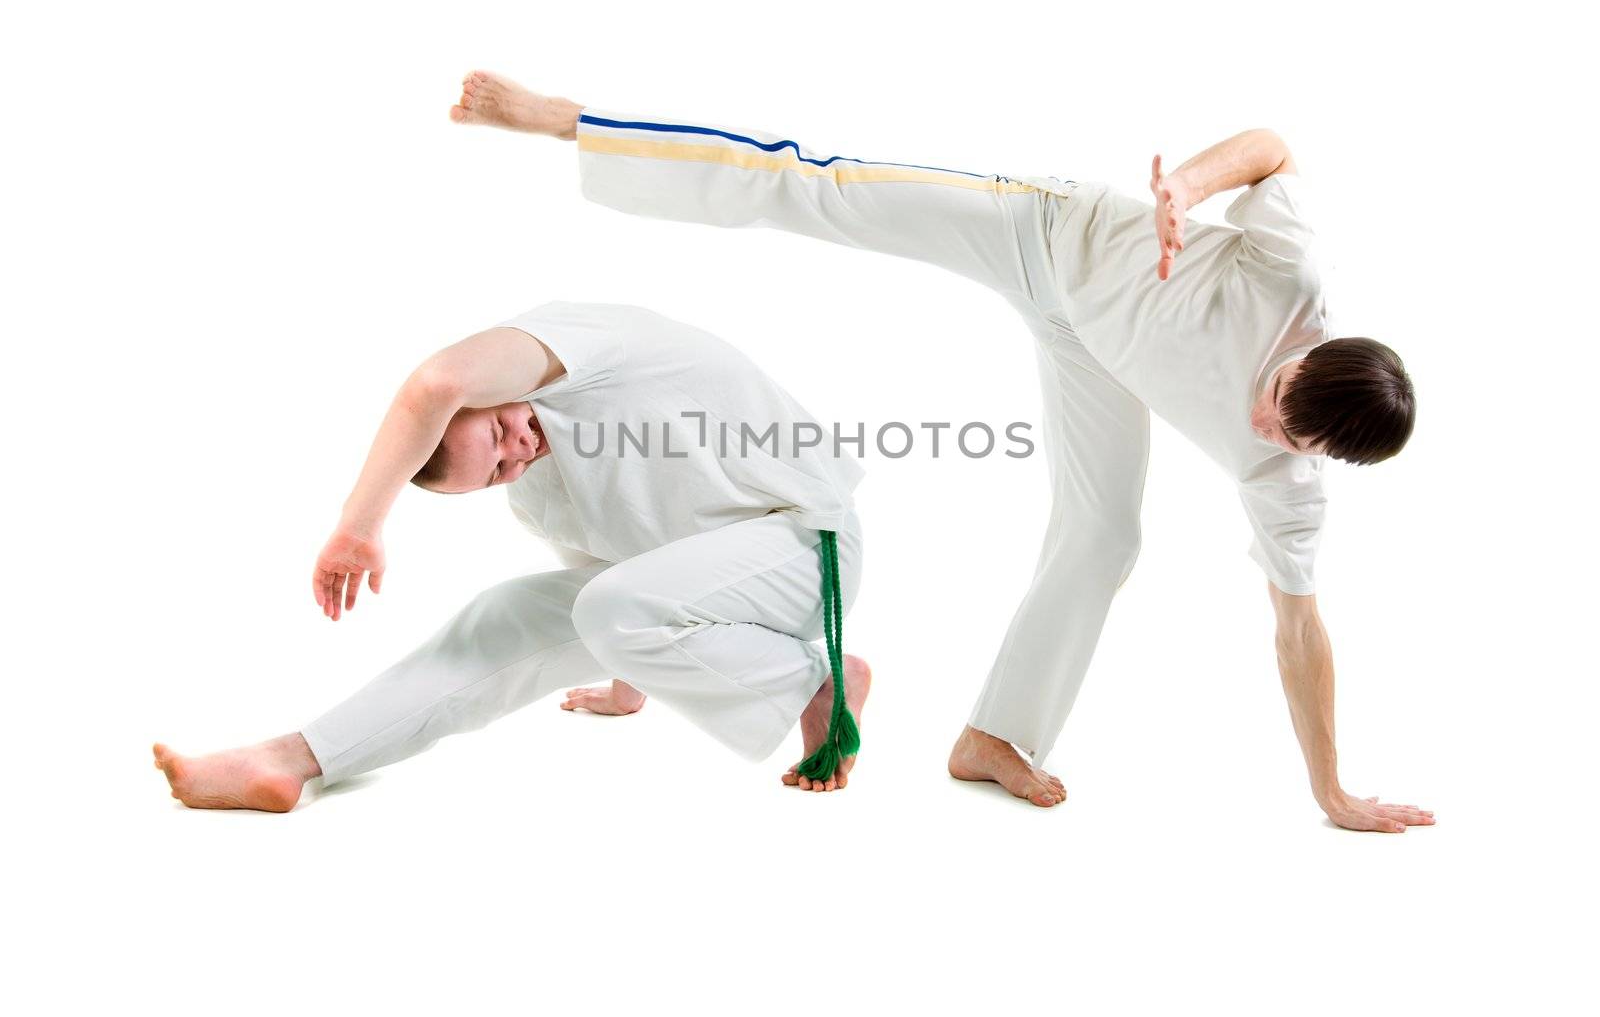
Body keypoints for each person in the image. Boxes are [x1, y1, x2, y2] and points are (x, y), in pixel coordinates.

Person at [448, 71, 1431, 832]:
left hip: (1093, 353)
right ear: (1307, 351)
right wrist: (1187, 184)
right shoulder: (1287, 271)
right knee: (814, 184)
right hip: (1047, 236)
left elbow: (1299, 633)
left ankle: (995, 736)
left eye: (1285, 438)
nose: (1263, 428)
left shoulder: (1285, 480)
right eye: (1275, 399)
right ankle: (565, 120)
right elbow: (1269, 146)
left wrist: (1333, 790)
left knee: (1102, 535)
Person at [153, 301, 870, 811]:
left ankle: (809, 683)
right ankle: (293, 761)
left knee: (611, 604)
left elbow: (435, 383)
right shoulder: (538, 495)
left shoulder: (578, 350)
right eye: (497, 468)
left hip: (808, 548)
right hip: (716, 600)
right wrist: (629, 688)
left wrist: (359, 524)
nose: (517, 452)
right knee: (502, 616)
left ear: (494, 395)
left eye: (499, 429)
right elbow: (609, 592)